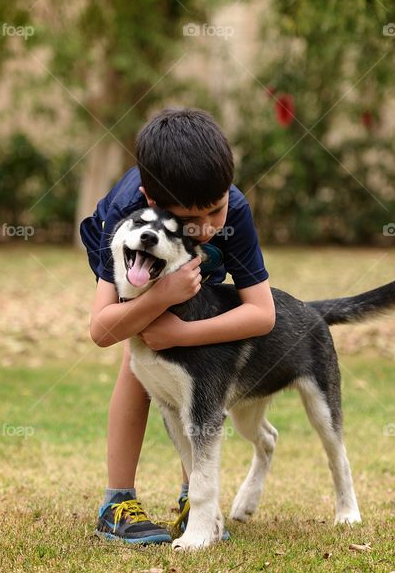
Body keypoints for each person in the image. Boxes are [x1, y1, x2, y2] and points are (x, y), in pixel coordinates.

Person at [79, 107, 276, 544]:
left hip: (193, 292)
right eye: (190, 220)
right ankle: (117, 503)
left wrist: (182, 334)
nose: (206, 227)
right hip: (146, 271)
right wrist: (161, 298)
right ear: (152, 201)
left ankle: (194, 498)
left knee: (192, 363)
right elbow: (102, 330)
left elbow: (262, 314)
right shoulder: (128, 216)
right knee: (139, 361)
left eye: (215, 210)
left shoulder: (235, 211)